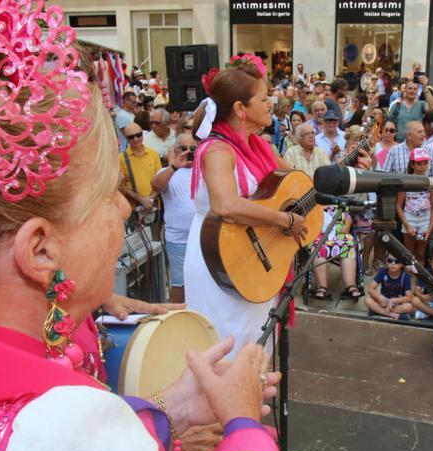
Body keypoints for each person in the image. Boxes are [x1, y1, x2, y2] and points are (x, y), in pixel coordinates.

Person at [0, 3, 337, 451]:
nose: (125, 211)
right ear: (40, 250)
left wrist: (170, 409)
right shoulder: (65, 438)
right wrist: (243, 429)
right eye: (108, 194)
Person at [186, 56, 313, 359]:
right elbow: (226, 205)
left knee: (254, 345)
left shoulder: (260, 146)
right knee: (225, 347)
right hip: (219, 259)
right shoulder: (217, 150)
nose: (272, 103)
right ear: (241, 109)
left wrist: (339, 174)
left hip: (255, 259)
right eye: (264, 97)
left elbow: (298, 184)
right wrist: (283, 219)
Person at [151, 133, 198, 304]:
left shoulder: (204, 171)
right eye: (183, 148)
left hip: (202, 238)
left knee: (203, 283)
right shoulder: (167, 171)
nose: (187, 152)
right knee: (180, 284)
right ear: (175, 149)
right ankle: (178, 321)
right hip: (178, 240)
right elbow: (156, 186)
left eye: (192, 149)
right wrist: (174, 167)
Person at [310, 206, 362, 301]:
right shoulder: (314, 205)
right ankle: (322, 286)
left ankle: (351, 285)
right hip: (319, 234)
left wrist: (346, 225)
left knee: (349, 246)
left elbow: (348, 220)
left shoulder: (340, 204)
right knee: (318, 248)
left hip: (340, 235)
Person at [396, 148, 433, 266]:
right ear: (412, 164)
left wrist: (430, 228)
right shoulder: (406, 181)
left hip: (425, 218)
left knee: (420, 253)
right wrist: (407, 224)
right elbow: (398, 205)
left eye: (425, 163)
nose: (423, 167)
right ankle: (409, 280)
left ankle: (419, 281)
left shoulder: (431, 182)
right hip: (409, 217)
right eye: (419, 163)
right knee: (409, 253)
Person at [118, 122, 161, 211]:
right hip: (133, 208)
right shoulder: (121, 158)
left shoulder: (153, 154)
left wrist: (150, 199)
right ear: (126, 138)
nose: (136, 139)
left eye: (138, 135)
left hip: (154, 206)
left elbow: (160, 179)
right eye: (131, 137)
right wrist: (141, 199)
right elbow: (122, 186)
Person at [364, 254, 413, 320]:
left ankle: (379, 312)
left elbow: (409, 297)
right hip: (383, 301)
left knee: (409, 307)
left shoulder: (405, 277)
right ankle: (392, 315)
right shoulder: (382, 272)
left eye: (396, 262)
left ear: (402, 264)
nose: (392, 264)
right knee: (367, 300)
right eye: (390, 261)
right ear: (386, 262)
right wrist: (379, 298)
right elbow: (370, 289)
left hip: (396, 303)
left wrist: (394, 300)